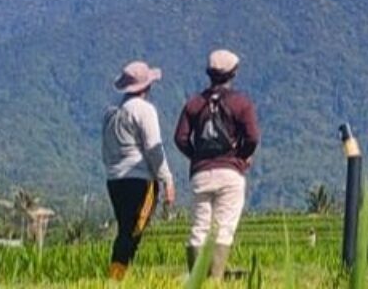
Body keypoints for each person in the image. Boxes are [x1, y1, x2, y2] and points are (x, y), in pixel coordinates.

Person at [175, 49, 261, 279]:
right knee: (223, 228)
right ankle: (215, 279)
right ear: (233, 73)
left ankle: (196, 278)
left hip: (200, 175)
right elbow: (252, 137)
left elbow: (180, 138)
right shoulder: (241, 104)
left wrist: (196, 157)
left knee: (199, 227)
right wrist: (241, 157)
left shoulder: (193, 104)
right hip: (230, 173)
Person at [102, 60, 176, 281]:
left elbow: (106, 149)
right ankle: (116, 277)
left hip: (115, 180)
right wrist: (167, 179)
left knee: (126, 228)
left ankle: (119, 276)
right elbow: (154, 149)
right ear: (147, 86)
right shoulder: (144, 110)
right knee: (132, 231)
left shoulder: (111, 113)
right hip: (139, 180)